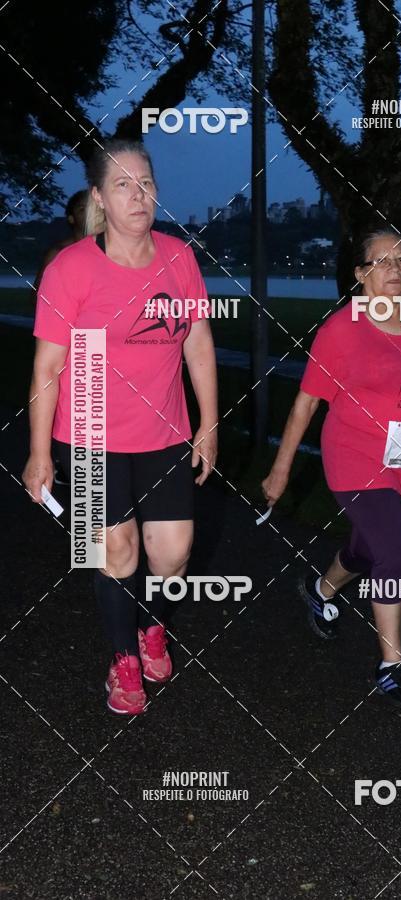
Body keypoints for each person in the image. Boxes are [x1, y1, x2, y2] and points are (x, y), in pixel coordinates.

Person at [22, 139, 218, 716]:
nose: (140, 194)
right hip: (86, 432)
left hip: (165, 430)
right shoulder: (72, 267)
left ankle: (152, 627)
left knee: (173, 555)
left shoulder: (179, 258)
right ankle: (122, 660)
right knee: (116, 551)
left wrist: (209, 425)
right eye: (125, 185)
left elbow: (199, 346)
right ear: (101, 199)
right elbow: (47, 367)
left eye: (147, 182)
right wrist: (39, 455)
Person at [262, 226, 401, 713]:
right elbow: (305, 404)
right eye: (383, 262)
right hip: (355, 459)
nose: (395, 270)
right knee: (395, 549)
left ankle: (319, 588)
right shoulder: (341, 330)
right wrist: (281, 470)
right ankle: (391, 666)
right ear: (361, 274)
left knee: (369, 549)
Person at [33, 190, 89, 485]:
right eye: (81, 208)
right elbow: (41, 299)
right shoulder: (59, 255)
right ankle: (58, 457)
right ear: (70, 217)